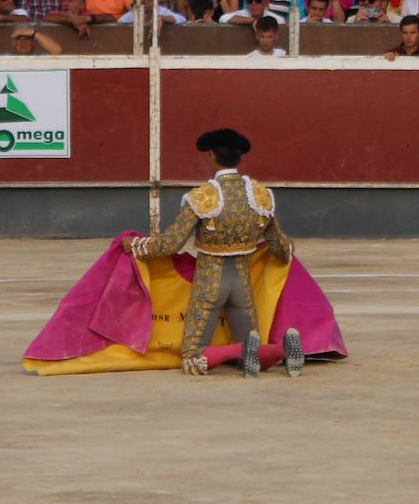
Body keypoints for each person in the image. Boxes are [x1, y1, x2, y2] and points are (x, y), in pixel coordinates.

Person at [125, 129, 299, 377]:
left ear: (211, 155)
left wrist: (136, 245)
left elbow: (171, 243)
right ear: (240, 157)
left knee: (192, 358)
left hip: (210, 280)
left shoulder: (202, 196)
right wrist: (289, 250)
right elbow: (279, 245)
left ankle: (231, 352)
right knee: (252, 350)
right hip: (242, 283)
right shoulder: (261, 194)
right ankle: (280, 349)